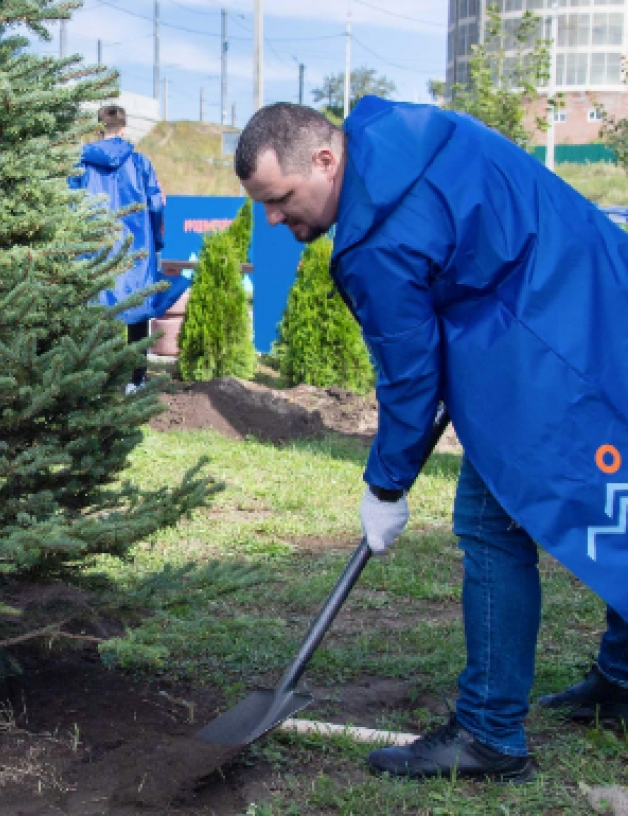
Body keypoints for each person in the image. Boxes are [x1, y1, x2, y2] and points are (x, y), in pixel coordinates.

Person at [234, 99, 628, 782]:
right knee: (616, 500)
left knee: (489, 521)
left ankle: (489, 735)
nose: (274, 218)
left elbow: (413, 383)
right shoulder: (404, 129)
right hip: (605, 290)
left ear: (325, 160)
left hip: (547, 345)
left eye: (281, 198)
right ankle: (623, 680)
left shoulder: (374, 243)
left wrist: (385, 485)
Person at [69, 104, 182, 392]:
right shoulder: (140, 163)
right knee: (138, 312)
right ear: (124, 128)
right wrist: (156, 241)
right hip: (136, 248)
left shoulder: (81, 163)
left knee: (95, 312)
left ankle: (94, 379)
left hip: (95, 248)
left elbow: (69, 206)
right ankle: (136, 380)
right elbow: (156, 204)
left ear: (98, 128)